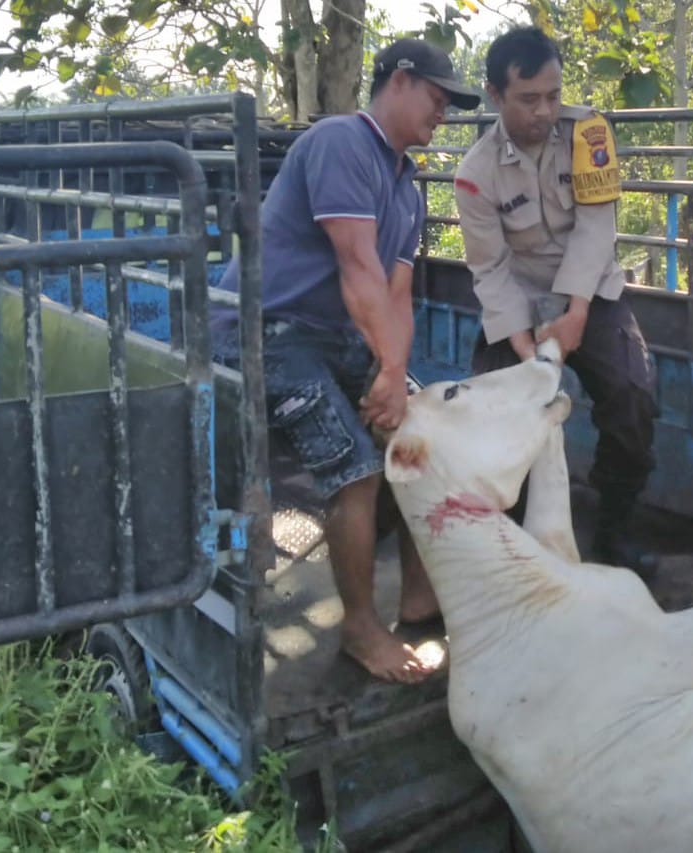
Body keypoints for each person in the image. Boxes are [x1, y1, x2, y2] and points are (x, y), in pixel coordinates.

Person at [211, 39, 481, 682]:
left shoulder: (407, 188)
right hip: (257, 329)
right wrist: (385, 369)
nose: (443, 113)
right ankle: (360, 629)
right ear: (400, 81)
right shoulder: (341, 143)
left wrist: (395, 379)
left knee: (426, 440)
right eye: (437, 98)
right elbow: (358, 268)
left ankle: (419, 597)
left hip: (334, 334)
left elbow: (394, 295)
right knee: (356, 470)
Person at [453, 26, 659, 574]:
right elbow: (490, 269)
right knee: (495, 414)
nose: (544, 111)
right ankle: (511, 546)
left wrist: (576, 314)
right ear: (496, 96)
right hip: (519, 298)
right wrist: (527, 352)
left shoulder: (588, 132)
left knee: (634, 397)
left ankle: (613, 531)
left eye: (552, 94)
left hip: (591, 289)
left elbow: (596, 228)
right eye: (528, 99)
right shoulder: (475, 175)